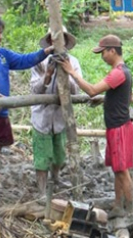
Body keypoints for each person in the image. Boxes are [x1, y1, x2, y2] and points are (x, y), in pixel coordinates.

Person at [60, 34, 133, 219]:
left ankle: (131, 211)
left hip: (118, 128)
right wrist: (107, 99)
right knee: (118, 169)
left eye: (103, 53)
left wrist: (72, 72)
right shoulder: (124, 71)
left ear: (112, 51)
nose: (102, 56)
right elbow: (128, 98)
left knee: (123, 171)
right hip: (119, 126)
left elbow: (92, 90)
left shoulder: (118, 73)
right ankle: (118, 205)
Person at [0, 10, 53, 178]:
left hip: (1, 113)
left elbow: (24, 60)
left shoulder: (3, 55)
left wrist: (45, 52)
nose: (1, 37)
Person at [30, 27, 81, 208]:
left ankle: (57, 178)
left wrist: (66, 72)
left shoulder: (73, 62)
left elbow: (76, 90)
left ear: (66, 43)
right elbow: (35, 89)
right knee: (42, 157)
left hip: (60, 117)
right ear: (50, 42)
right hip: (42, 116)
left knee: (59, 155)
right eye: (54, 40)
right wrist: (48, 75)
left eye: (61, 41)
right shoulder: (40, 62)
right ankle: (42, 191)